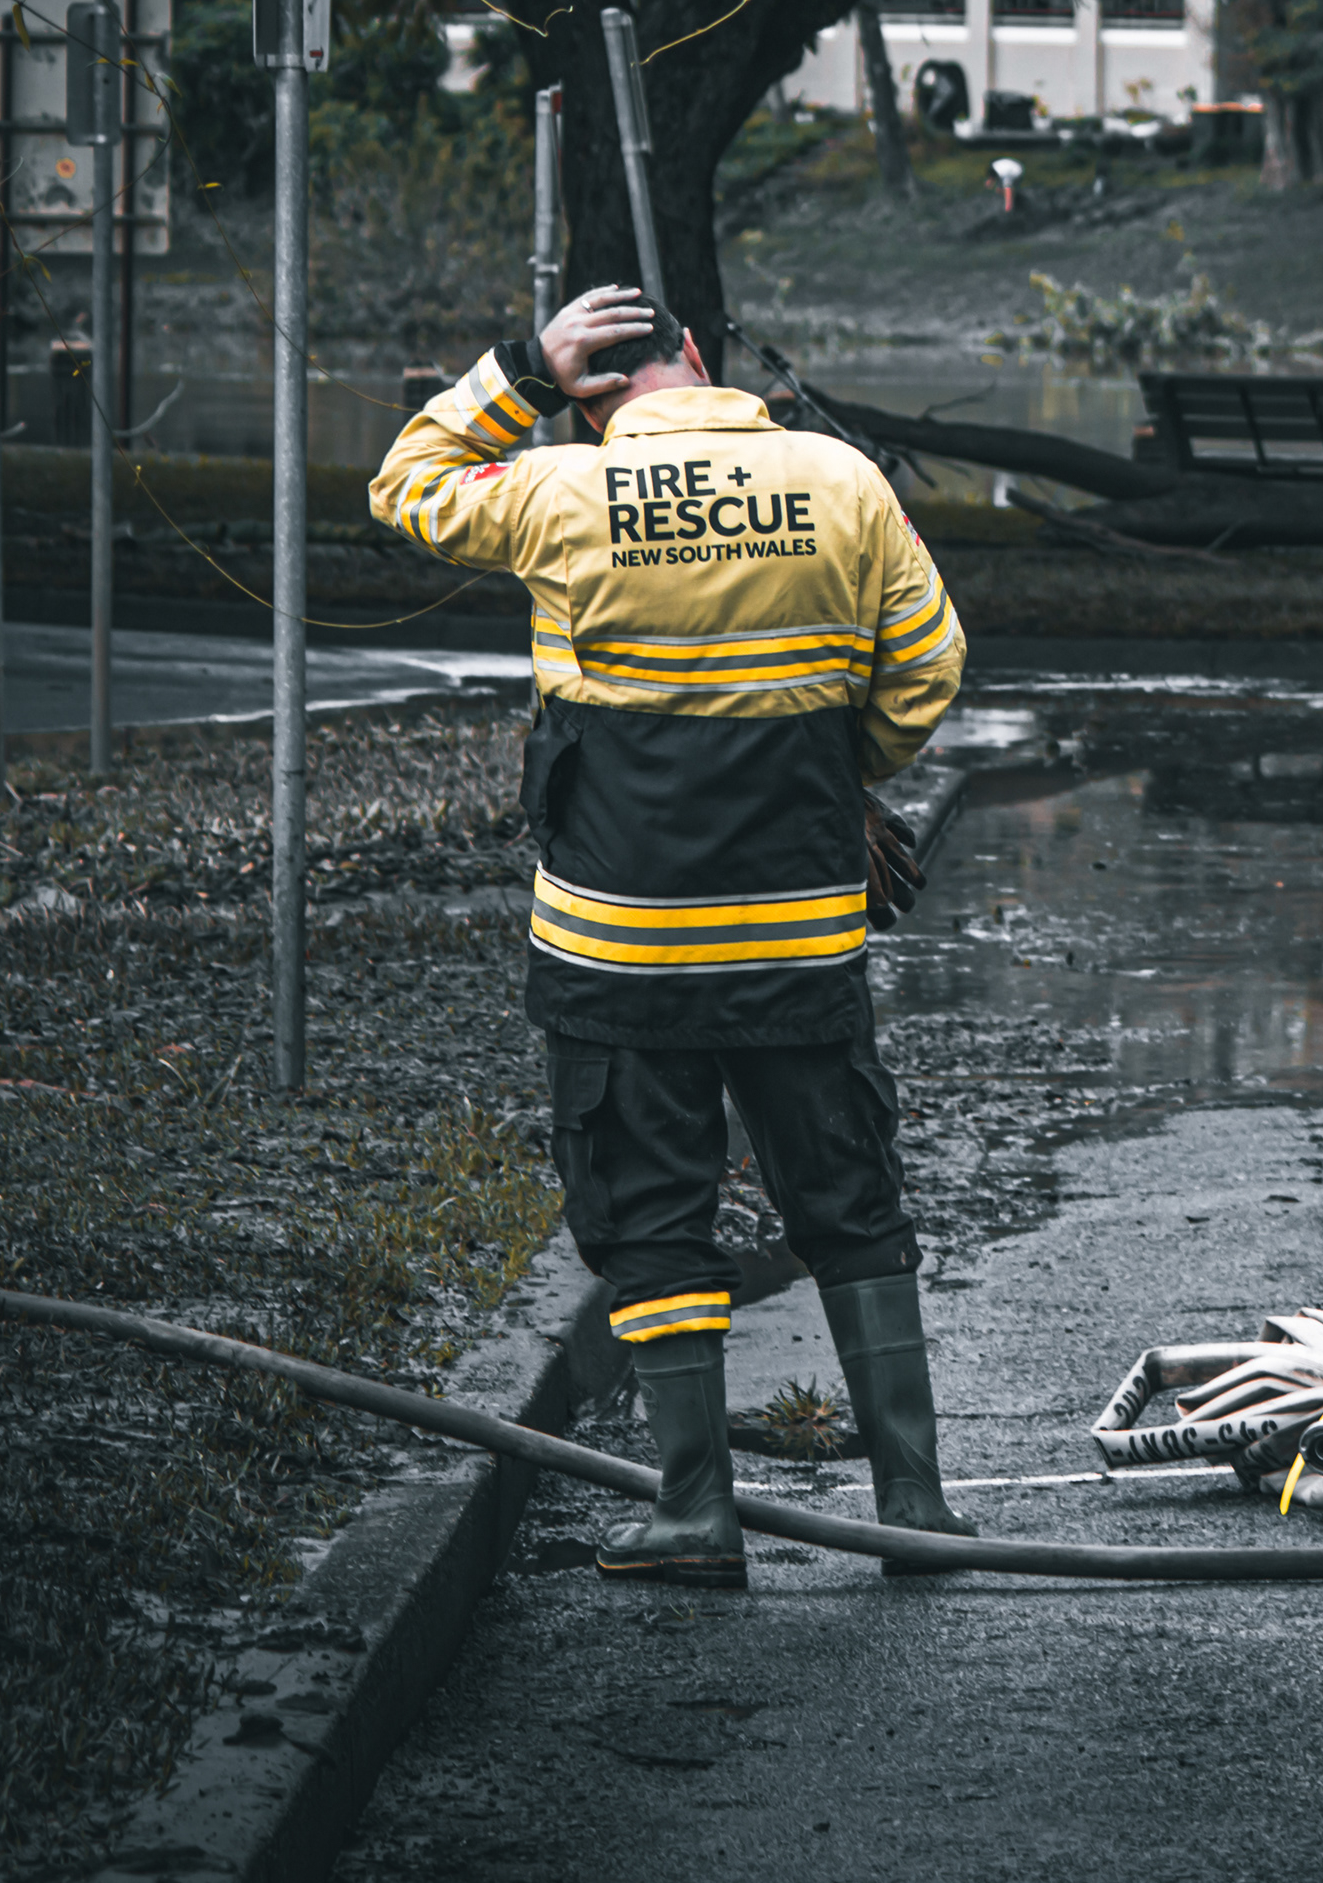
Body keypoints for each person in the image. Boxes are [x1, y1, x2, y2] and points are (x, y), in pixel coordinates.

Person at [369, 283, 975, 1585]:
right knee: (849, 1199)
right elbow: (929, 666)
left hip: (617, 951)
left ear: (587, 397)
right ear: (701, 356)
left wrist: (520, 372)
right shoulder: (839, 479)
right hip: (799, 944)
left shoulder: (554, 493)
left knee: (651, 1215)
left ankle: (695, 1512)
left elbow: (407, 485)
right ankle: (913, 1507)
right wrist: (830, 779)